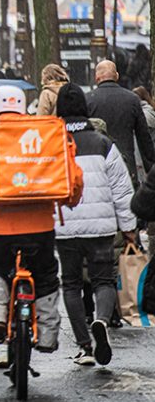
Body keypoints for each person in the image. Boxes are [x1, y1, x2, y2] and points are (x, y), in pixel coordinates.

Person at [0, 86, 83, 356]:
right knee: (46, 276)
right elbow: (73, 178)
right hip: (41, 226)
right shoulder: (48, 131)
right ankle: (47, 334)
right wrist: (69, 201)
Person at [55, 83, 136, 366]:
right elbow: (122, 189)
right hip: (101, 227)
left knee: (71, 284)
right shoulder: (103, 143)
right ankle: (101, 319)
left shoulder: (51, 142)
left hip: (64, 225)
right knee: (103, 279)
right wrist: (128, 228)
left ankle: (85, 346)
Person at [87, 60, 155, 186]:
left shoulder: (88, 100)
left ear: (97, 78)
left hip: (99, 163)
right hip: (127, 165)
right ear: (116, 76)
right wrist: (150, 169)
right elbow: (144, 138)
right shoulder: (132, 99)